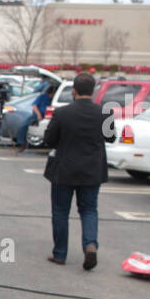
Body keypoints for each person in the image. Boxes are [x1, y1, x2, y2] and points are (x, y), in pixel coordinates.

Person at [43, 73, 114, 269]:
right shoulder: (105, 113)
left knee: (60, 211)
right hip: (92, 171)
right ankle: (90, 245)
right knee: (89, 210)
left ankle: (60, 254)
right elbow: (110, 138)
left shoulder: (61, 113)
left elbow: (49, 140)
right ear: (93, 92)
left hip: (64, 169)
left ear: (73, 90)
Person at [15, 82, 55, 153]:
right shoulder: (42, 97)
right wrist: (39, 114)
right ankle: (21, 143)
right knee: (23, 126)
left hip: (46, 117)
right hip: (37, 115)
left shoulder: (51, 99)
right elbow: (34, 106)